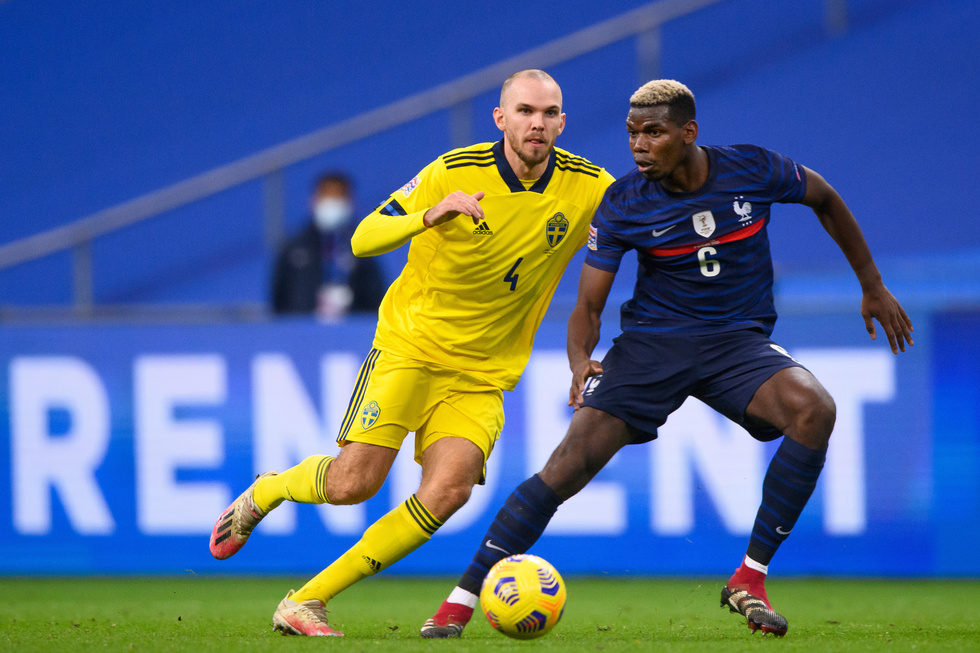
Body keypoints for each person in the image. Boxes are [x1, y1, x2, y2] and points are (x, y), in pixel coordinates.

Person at [421, 79, 914, 639]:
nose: (639, 145)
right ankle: (459, 602)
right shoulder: (624, 203)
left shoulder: (753, 169)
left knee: (815, 410)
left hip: (736, 343)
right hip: (653, 346)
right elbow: (588, 306)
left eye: (653, 133)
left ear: (688, 132)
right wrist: (580, 359)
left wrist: (871, 285)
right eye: (632, 133)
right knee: (566, 466)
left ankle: (749, 578)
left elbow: (825, 197)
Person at [209, 69, 615, 636]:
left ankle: (307, 600)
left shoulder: (590, 186)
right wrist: (429, 215)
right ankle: (269, 489)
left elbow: (643, 225)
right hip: (411, 347)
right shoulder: (453, 171)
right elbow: (363, 237)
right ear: (500, 118)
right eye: (524, 111)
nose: (537, 124)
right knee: (353, 484)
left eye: (549, 113)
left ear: (562, 122)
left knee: (448, 491)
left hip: (482, 373)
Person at [270, 171, 386, 318]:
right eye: (327, 196)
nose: (332, 202)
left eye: (338, 197)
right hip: (301, 328)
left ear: (350, 202)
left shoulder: (364, 244)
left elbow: (376, 296)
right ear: (314, 200)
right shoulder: (293, 247)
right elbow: (278, 298)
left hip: (352, 328)